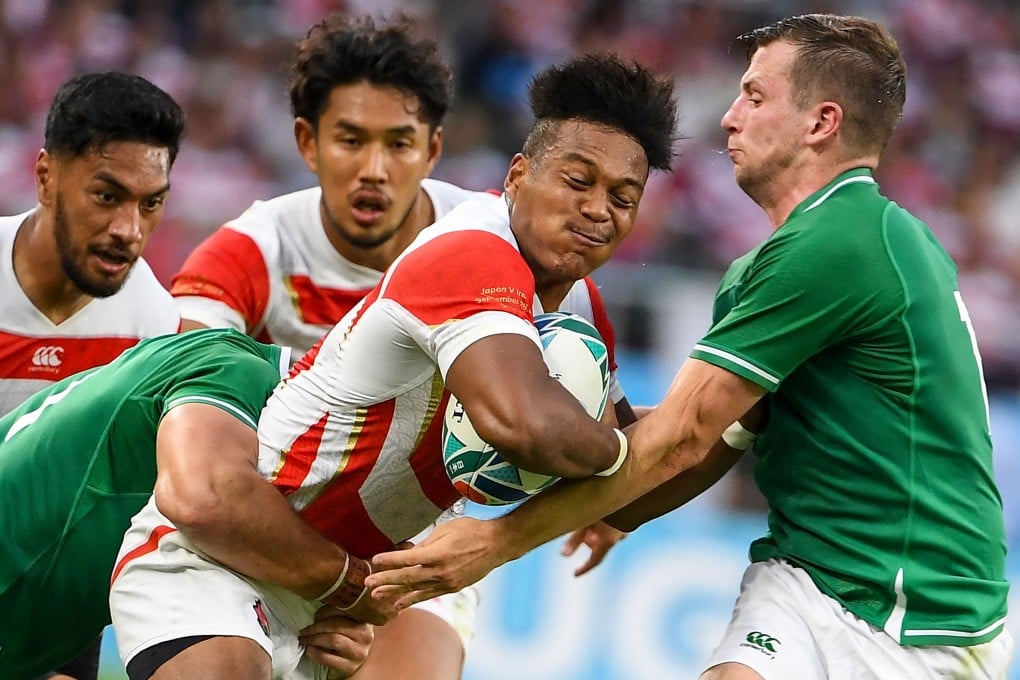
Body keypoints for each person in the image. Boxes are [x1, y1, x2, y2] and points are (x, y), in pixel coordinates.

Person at [365, 14, 1014, 680]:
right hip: (804, 573)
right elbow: (709, 443)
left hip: (918, 612)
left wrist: (497, 541)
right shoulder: (771, 266)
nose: (729, 117)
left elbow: (680, 438)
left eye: (755, 96)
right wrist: (616, 507)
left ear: (821, 123)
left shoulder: (844, 241)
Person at [108, 52, 679, 679]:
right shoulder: (468, 250)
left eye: (622, 198)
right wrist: (628, 456)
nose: (598, 209)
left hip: (363, 586)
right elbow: (527, 425)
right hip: (231, 551)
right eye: (577, 181)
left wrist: (732, 414)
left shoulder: (579, 304)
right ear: (517, 176)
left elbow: (633, 473)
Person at [0, 328, 374, 680]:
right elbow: (201, 503)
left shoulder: (230, 375)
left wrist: (320, 625)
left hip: (43, 626)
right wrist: (347, 584)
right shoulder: (234, 372)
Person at [0, 71, 184, 680]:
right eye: (107, 196)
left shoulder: (152, 326)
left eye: (150, 204)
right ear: (46, 177)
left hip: (56, 608)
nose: (129, 230)